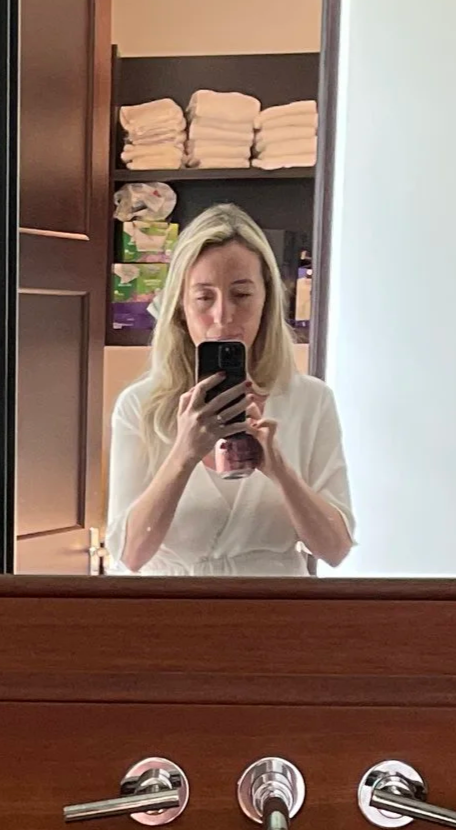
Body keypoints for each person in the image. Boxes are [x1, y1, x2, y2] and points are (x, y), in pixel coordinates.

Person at [105, 206, 355, 577]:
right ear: (180, 308)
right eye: (204, 298)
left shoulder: (310, 401)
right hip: (165, 614)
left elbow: (335, 550)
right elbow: (131, 554)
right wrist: (184, 454)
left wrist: (280, 469)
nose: (223, 316)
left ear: (266, 302)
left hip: (276, 614)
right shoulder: (140, 406)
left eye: (241, 295)